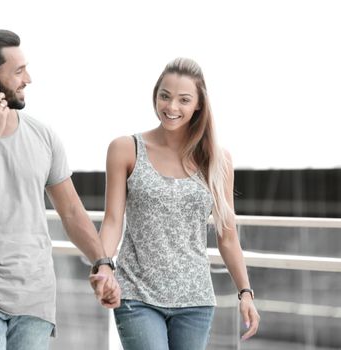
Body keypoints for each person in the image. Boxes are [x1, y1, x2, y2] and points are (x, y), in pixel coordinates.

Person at [0, 29, 120, 350]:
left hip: (35, 296)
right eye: (17, 71)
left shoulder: (44, 136)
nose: (28, 78)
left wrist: (102, 263)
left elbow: (71, 211)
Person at [97, 57, 260, 349]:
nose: (171, 107)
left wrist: (245, 292)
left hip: (195, 299)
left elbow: (227, 236)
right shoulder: (125, 149)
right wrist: (103, 266)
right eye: (165, 96)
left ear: (198, 104)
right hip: (137, 294)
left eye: (184, 100)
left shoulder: (218, 160)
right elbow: (112, 220)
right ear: (155, 96)